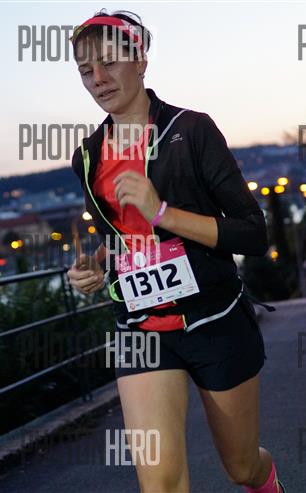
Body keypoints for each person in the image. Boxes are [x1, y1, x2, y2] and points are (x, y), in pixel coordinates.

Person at [66, 10, 285, 493]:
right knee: (160, 485)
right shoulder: (87, 155)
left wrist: (163, 212)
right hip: (140, 328)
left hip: (214, 319)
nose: (98, 78)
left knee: (242, 468)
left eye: (109, 62)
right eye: (85, 70)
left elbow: (253, 234)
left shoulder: (192, 130)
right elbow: (120, 237)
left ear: (141, 61)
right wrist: (95, 267)